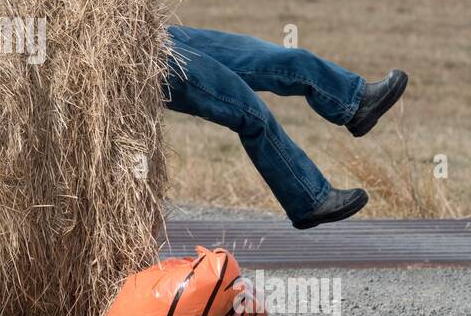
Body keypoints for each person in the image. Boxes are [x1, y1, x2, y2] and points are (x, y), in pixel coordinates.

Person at [163, 24, 408, 229]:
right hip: (146, 60)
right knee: (250, 112)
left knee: (275, 59)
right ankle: (310, 200)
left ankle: (355, 101)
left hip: (150, 32)